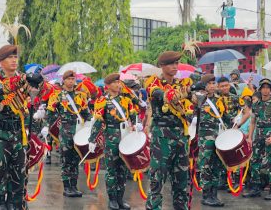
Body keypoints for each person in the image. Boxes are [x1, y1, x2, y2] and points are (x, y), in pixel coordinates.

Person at [0, 45, 43, 210]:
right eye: (10, 57)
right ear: (1, 61)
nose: (14, 60)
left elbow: (32, 100)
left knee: (18, 181)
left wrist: (38, 83)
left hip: (18, 135)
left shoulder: (24, 78)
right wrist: (21, 80)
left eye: (16, 57)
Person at [144, 51, 193, 210]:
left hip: (181, 135)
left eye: (176, 63)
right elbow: (165, 96)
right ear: (162, 66)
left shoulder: (181, 83)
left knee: (181, 180)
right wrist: (185, 93)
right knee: (157, 180)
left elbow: (196, 101)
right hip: (162, 136)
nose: (175, 67)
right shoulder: (153, 82)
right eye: (171, 64)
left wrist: (194, 92)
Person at [89, 73, 135, 210]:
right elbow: (97, 121)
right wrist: (92, 139)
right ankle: (112, 199)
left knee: (123, 170)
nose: (118, 85)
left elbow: (133, 115)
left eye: (119, 82)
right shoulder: (102, 101)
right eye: (115, 83)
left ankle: (120, 199)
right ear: (108, 86)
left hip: (125, 137)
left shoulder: (126, 100)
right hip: (111, 138)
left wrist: (137, 124)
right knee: (112, 170)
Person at [43, 70, 92, 198]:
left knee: (75, 159)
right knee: (66, 159)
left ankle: (74, 186)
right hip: (64, 131)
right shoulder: (57, 95)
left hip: (77, 130)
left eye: (73, 79)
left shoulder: (81, 95)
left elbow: (87, 114)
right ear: (63, 80)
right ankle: (67, 187)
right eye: (69, 79)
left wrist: (89, 126)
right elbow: (49, 114)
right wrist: (55, 125)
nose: (71, 81)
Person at [243, 78, 271, 200]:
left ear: (270, 89)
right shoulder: (255, 104)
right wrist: (250, 137)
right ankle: (255, 188)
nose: (265, 90)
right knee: (255, 162)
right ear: (260, 89)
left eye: (267, 87)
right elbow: (252, 122)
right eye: (263, 87)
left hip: (270, 134)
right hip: (258, 136)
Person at [194, 74, 231, 207]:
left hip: (218, 138)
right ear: (204, 86)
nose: (212, 86)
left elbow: (225, 117)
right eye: (209, 83)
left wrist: (234, 122)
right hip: (205, 139)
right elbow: (190, 114)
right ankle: (206, 195)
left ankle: (214, 195)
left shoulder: (220, 100)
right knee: (205, 166)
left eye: (214, 83)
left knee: (217, 166)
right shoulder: (199, 99)